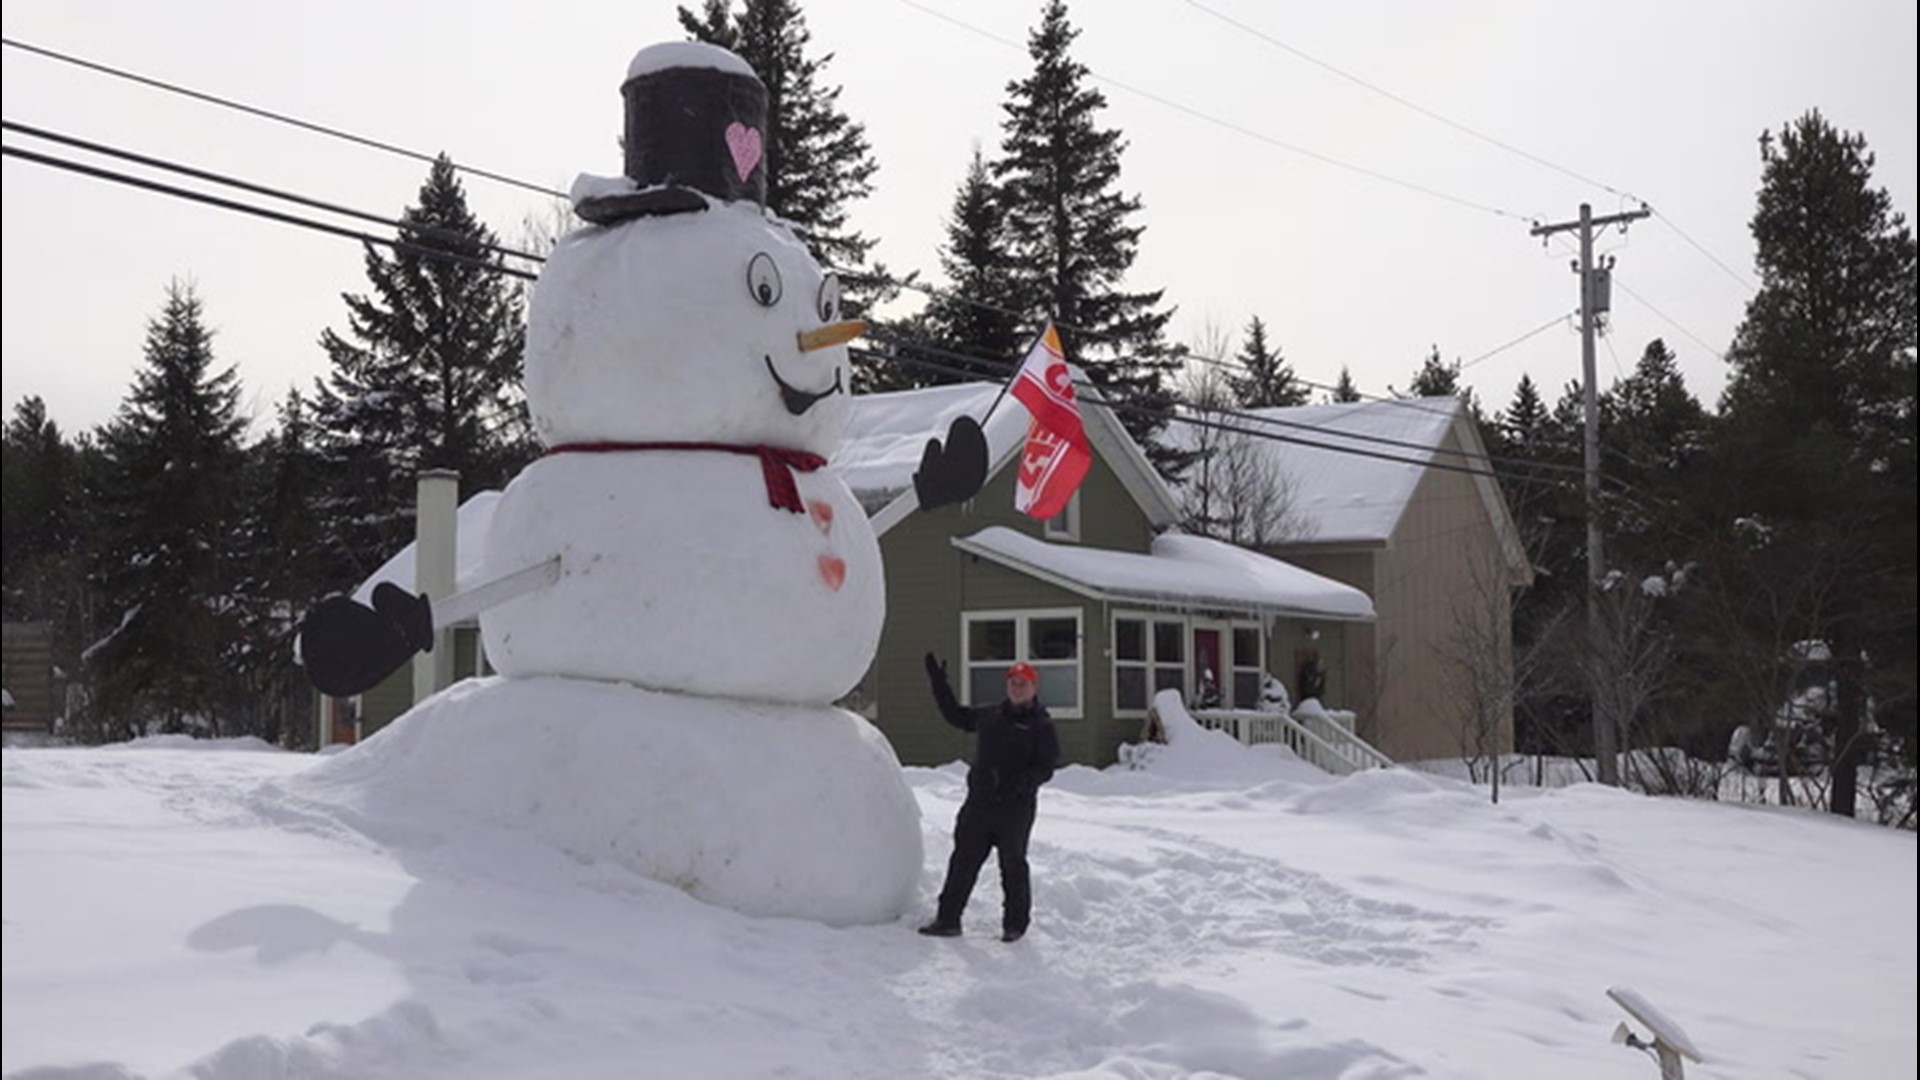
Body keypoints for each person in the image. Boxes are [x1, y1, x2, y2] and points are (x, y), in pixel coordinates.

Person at [918, 653, 1061, 943]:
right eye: (1012, 682)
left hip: (1015, 810)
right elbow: (955, 715)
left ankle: (1015, 925)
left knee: (1013, 865)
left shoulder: (1041, 726)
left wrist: (1020, 785)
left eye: (1023, 683)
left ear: (1034, 688)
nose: (1016, 687)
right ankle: (948, 920)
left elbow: (1046, 767)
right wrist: (939, 684)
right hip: (979, 806)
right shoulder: (991, 716)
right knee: (963, 862)